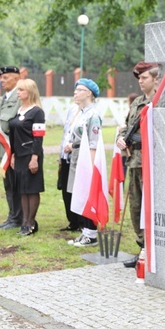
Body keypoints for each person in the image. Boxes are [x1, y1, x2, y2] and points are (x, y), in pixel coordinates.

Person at [116, 62, 159, 268]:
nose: (140, 82)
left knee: (150, 207)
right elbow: (126, 127)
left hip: (151, 163)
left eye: (144, 78)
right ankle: (142, 249)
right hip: (134, 160)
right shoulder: (137, 103)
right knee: (135, 207)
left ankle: (153, 249)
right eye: (139, 78)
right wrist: (121, 138)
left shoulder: (160, 102)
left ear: (155, 79)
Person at [65, 78, 103, 247]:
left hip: (87, 157)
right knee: (80, 193)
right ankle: (85, 232)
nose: (75, 92)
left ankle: (92, 234)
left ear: (89, 93)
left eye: (79, 90)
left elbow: (94, 142)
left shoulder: (93, 115)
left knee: (88, 193)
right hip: (77, 157)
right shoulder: (81, 113)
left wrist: (92, 167)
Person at [9, 79, 46, 236]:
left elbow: (38, 137)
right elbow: (13, 135)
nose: (18, 93)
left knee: (32, 189)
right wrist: (12, 154)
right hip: (19, 155)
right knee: (23, 190)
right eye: (18, 90)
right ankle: (24, 221)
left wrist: (34, 157)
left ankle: (30, 223)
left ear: (30, 92)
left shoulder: (37, 112)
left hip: (31, 154)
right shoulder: (20, 110)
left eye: (21, 90)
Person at [0, 66, 23, 230]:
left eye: (6, 78)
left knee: (16, 185)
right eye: (1, 78)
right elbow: (2, 120)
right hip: (4, 149)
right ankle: (12, 216)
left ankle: (18, 218)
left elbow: (16, 124)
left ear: (16, 78)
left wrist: (15, 152)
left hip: (14, 149)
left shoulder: (20, 96)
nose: (2, 81)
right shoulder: (6, 97)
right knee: (8, 184)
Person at [57, 102, 81, 232]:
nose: (75, 93)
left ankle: (81, 221)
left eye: (79, 90)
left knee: (77, 189)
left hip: (78, 156)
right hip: (66, 156)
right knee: (66, 189)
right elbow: (66, 132)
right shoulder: (72, 108)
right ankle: (72, 221)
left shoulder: (89, 113)